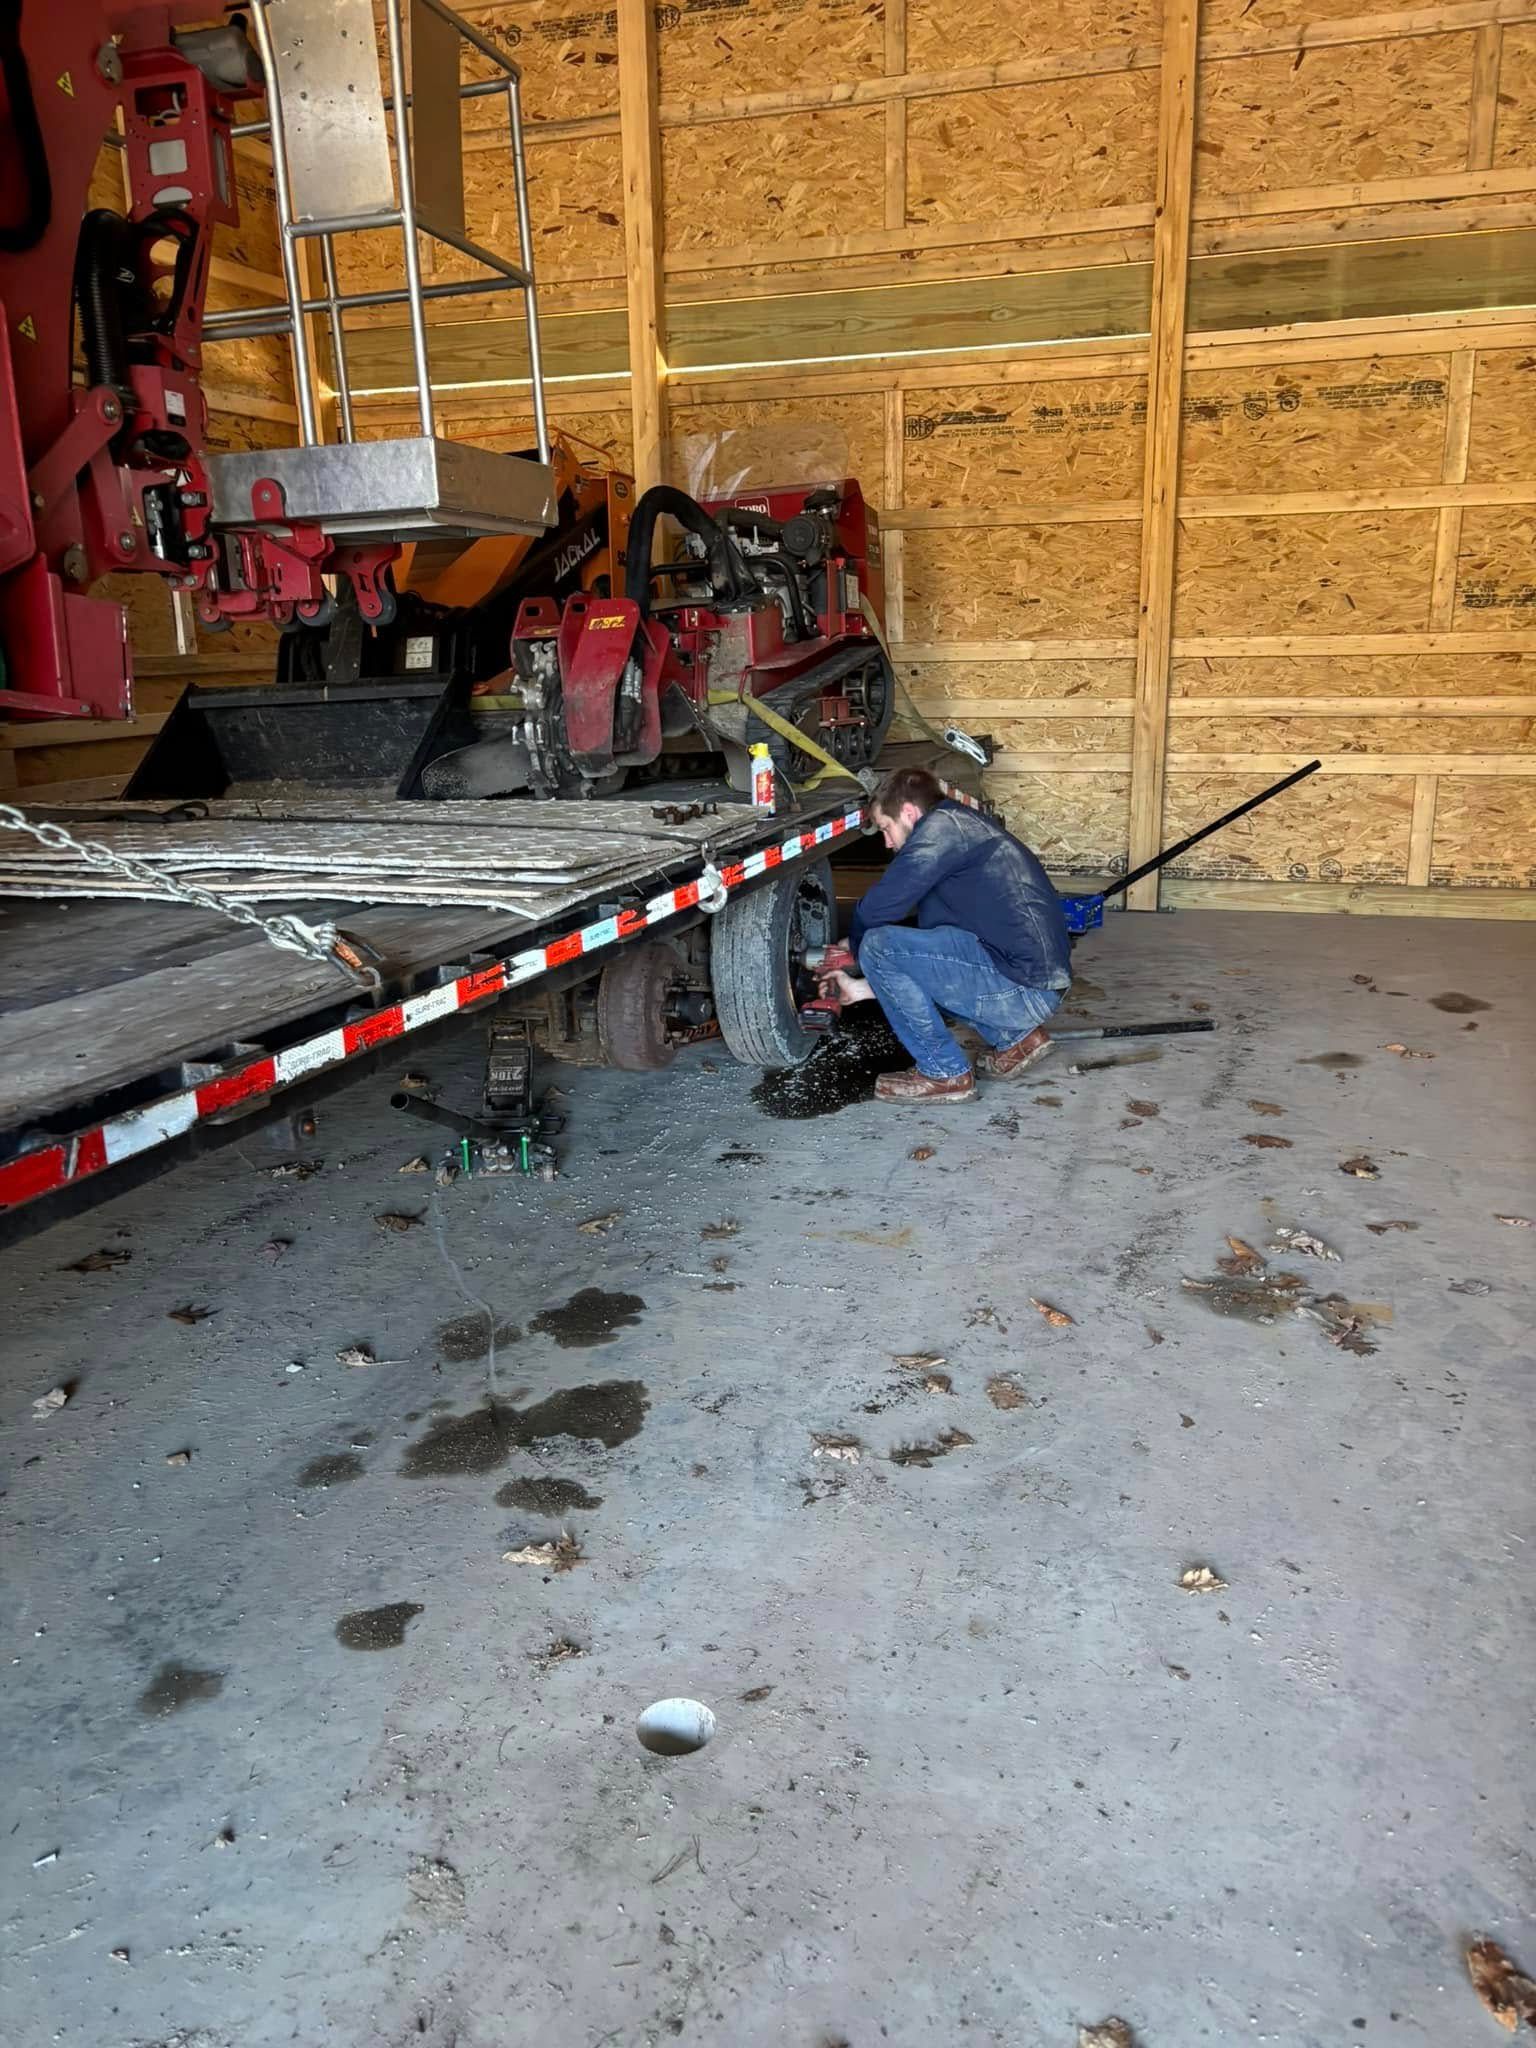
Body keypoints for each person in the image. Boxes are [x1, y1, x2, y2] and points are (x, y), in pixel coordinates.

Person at [821, 766, 1072, 1105]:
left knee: (879, 946)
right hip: (1033, 984)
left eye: (886, 828)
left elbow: (877, 909)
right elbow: (932, 962)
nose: (887, 842)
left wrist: (857, 950)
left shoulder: (941, 831)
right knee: (912, 945)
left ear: (909, 812)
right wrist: (862, 988)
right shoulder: (961, 826)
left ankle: (943, 1073)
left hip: (1023, 990)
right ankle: (1018, 1039)